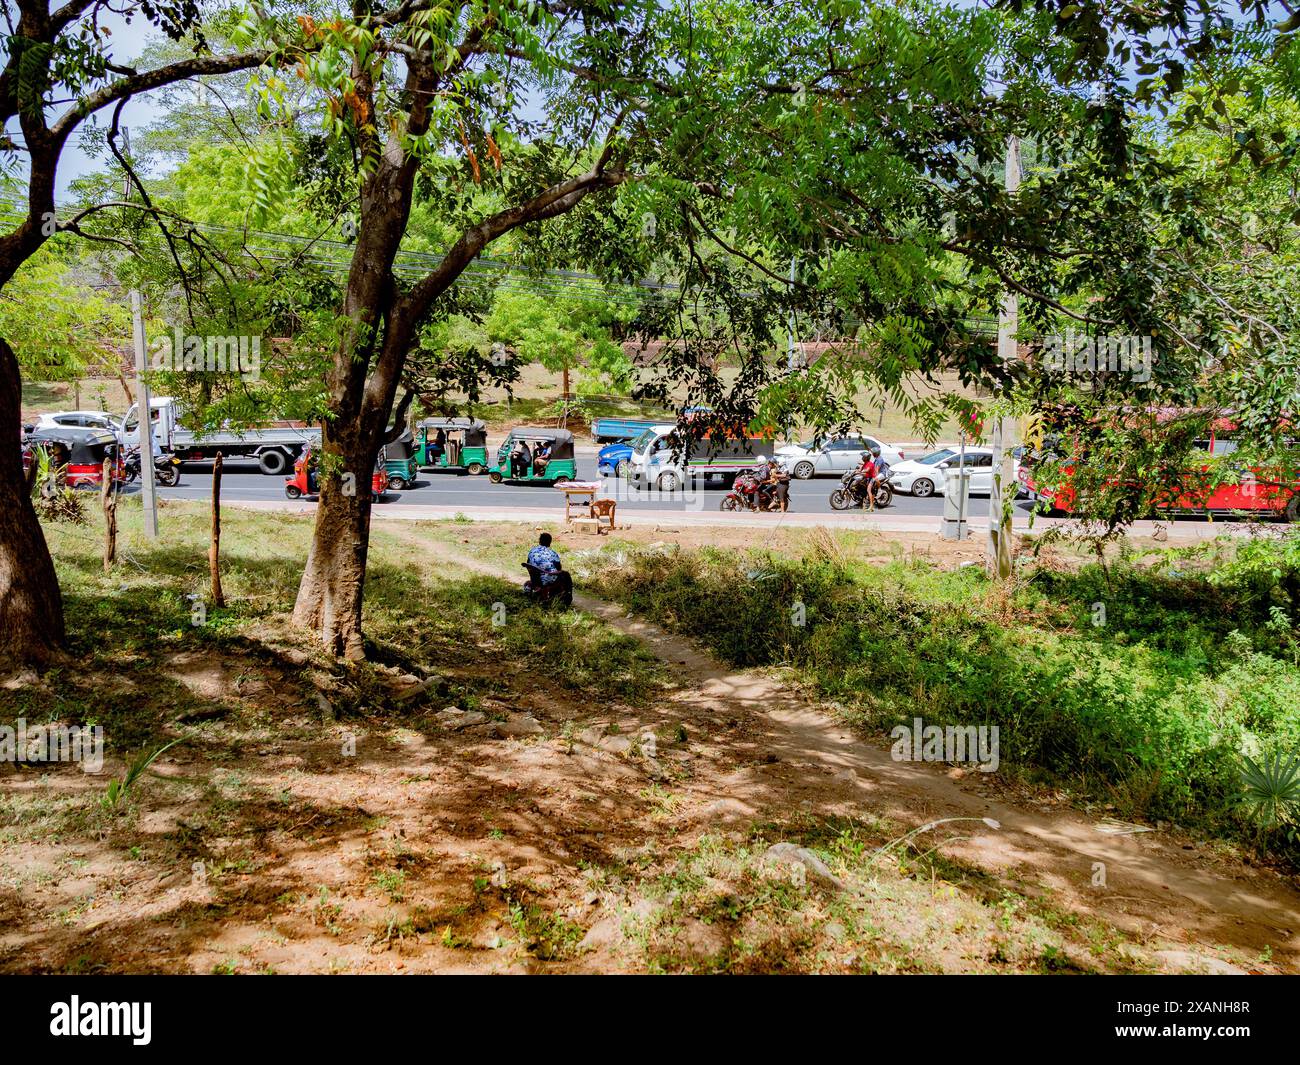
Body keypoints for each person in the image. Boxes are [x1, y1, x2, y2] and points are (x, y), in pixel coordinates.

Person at [523, 532, 573, 601]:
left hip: (535, 579)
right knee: (566, 574)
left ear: (539, 541)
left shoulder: (532, 551)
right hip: (548, 579)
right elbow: (559, 568)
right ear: (549, 542)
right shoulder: (552, 553)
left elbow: (529, 564)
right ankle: (568, 596)